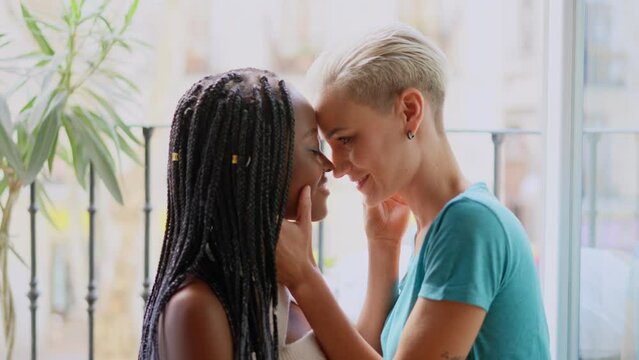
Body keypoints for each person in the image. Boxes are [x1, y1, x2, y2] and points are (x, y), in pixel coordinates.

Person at [276, 24, 551, 359]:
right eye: (326, 145)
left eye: (346, 139)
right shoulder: (433, 229)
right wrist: (383, 247)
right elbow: (368, 350)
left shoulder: (470, 225)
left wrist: (305, 279)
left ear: (410, 111)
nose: (337, 167)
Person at [138, 68, 333, 360]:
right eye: (314, 147)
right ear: (258, 167)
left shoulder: (286, 274)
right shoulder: (197, 307)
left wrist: (383, 244)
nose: (329, 164)